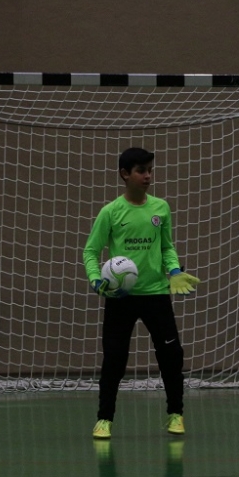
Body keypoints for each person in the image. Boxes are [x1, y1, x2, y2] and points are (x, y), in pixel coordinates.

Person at [82, 147, 200, 440]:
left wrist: (174, 271)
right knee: (114, 360)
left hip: (156, 295)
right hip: (121, 299)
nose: (148, 176)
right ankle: (104, 420)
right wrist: (96, 280)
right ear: (125, 174)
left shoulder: (161, 208)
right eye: (141, 171)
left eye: (150, 170)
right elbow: (91, 251)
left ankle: (176, 414)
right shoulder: (111, 212)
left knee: (172, 355)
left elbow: (167, 247)